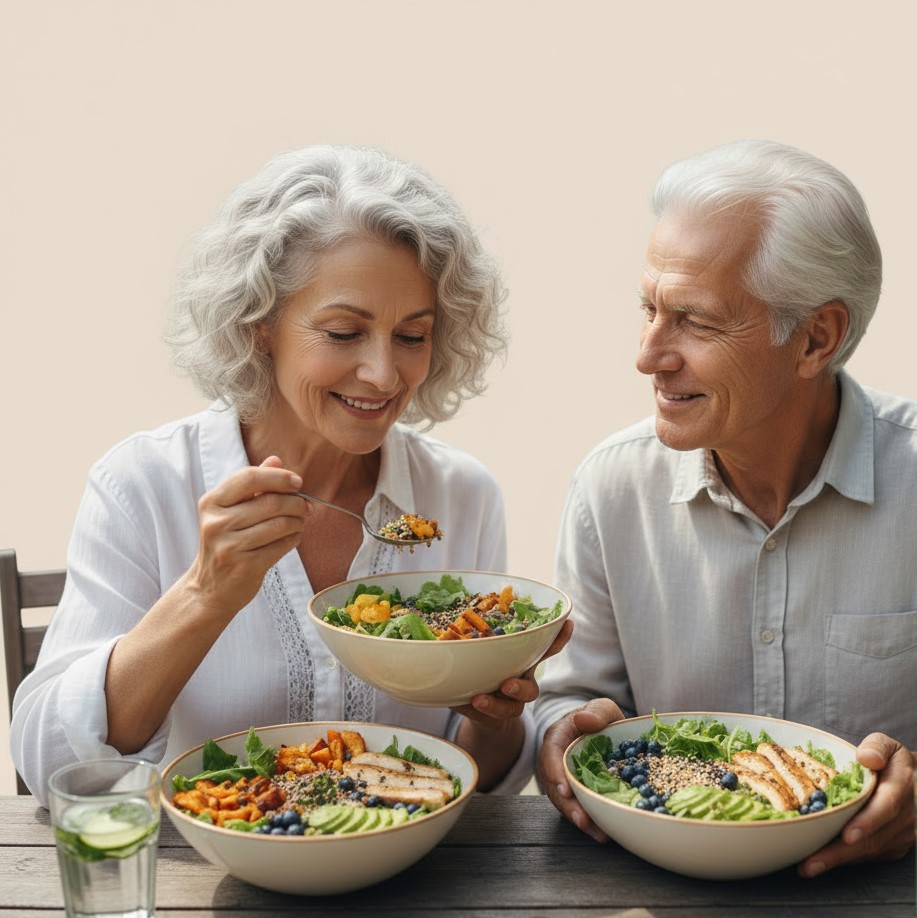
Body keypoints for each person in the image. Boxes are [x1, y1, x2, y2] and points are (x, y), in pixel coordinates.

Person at [12, 144, 567, 804]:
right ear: (260, 324)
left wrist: (492, 713)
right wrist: (205, 592)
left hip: (412, 892)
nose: (384, 374)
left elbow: (483, 785)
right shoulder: (142, 485)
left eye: (412, 336)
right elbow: (49, 764)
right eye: (342, 332)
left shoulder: (461, 496)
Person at [534, 139, 917, 876]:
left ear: (815, 338)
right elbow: (566, 704)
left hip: (897, 910)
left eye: (694, 321)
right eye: (649, 309)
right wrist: (563, 733)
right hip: (654, 909)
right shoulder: (610, 490)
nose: (648, 354)